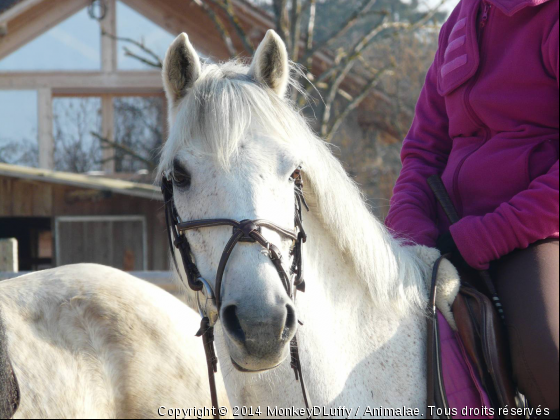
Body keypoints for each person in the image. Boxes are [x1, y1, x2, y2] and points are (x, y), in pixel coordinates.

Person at [385, 0, 559, 417]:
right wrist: (409, 234)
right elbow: (423, 152)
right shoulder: (459, 20)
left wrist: (483, 237)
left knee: (547, 352)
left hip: (535, 233)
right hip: (444, 239)